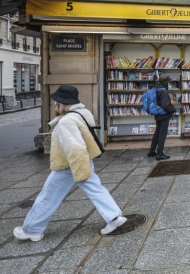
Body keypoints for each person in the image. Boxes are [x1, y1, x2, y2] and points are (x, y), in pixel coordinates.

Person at [13, 85, 127, 242]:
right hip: (83, 161)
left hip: (69, 165)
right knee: (96, 189)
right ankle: (114, 217)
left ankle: (32, 229)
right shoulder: (82, 113)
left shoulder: (67, 121)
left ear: (62, 103)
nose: (54, 105)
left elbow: (75, 147)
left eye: (56, 102)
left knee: (48, 196)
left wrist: (80, 172)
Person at [148, 74, 176, 160]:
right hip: (164, 114)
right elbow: (165, 105)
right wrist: (172, 109)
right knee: (162, 133)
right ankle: (160, 152)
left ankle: (152, 150)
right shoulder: (164, 91)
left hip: (157, 113)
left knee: (157, 132)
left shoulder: (156, 89)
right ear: (166, 82)